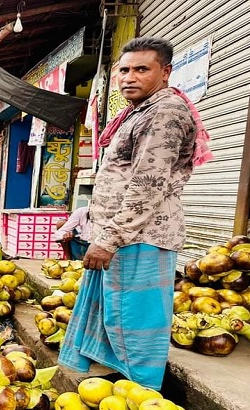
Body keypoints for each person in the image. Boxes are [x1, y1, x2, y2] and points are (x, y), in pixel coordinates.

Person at [59, 36, 212, 390]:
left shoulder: (166, 113)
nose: (130, 77)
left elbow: (148, 185)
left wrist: (108, 240)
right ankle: (128, 385)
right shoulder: (137, 111)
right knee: (115, 314)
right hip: (121, 234)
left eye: (142, 69)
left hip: (140, 236)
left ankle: (146, 395)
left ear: (165, 72)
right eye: (124, 70)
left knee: (135, 320)